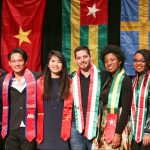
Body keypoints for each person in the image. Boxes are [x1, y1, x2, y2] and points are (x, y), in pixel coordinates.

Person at [0, 48, 41, 150]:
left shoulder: (37, 78)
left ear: (26, 62)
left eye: (20, 60)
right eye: (13, 61)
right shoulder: (3, 81)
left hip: (31, 128)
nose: (17, 64)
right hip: (10, 128)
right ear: (9, 63)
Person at [36, 50, 73, 150]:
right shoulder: (39, 83)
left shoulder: (70, 83)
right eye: (53, 61)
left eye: (59, 62)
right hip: (45, 129)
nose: (56, 64)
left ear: (63, 65)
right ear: (48, 64)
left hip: (63, 129)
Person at [97, 45, 132, 149]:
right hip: (105, 123)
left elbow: (126, 109)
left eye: (112, 60)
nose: (109, 63)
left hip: (118, 124)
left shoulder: (125, 80)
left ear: (119, 61)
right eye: (106, 61)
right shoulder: (105, 78)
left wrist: (117, 133)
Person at [70, 46, 101, 150]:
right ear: (75, 60)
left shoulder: (102, 76)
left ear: (90, 57)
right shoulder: (71, 78)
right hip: (76, 126)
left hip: (96, 125)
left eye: (85, 57)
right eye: (79, 58)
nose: (82, 60)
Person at [131, 49, 150, 150]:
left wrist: (148, 131)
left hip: (147, 134)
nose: (138, 63)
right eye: (135, 60)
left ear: (147, 62)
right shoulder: (133, 81)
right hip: (135, 133)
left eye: (142, 60)